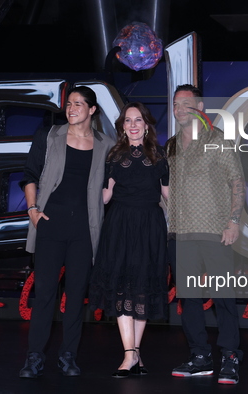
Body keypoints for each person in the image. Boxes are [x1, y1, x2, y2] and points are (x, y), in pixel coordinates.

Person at [18, 86, 115, 378]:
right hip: (50, 223)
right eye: (69, 104)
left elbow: (112, 184)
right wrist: (33, 210)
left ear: (92, 110)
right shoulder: (49, 136)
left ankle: (68, 355)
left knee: (75, 297)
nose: (71, 109)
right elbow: (29, 175)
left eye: (77, 104)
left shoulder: (106, 144)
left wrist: (110, 193)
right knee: (45, 294)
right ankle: (34, 357)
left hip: (85, 230)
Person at [166, 84, 245, 385]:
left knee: (224, 297)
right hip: (181, 234)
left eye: (187, 103)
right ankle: (200, 356)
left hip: (215, 232)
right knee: (189, 300)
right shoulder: (171, 146)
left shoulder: (218, 141)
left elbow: (237, 182)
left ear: (200, 108)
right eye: (176, 104)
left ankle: (230, 356)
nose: (180, 108)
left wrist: (233, 221)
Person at [89, 102, 169, 378]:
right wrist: (77, 206)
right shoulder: (114, 154)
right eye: (127, 121)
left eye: (138, 120)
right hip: (120, 225)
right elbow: (106, 194)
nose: (133, 125)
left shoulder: (160, 155)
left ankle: (133, 353)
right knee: (122, 288)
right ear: (122, 126)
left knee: (142, 290)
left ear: (146, 124)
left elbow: (168, 195)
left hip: (149, 226)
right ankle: (130, 354)